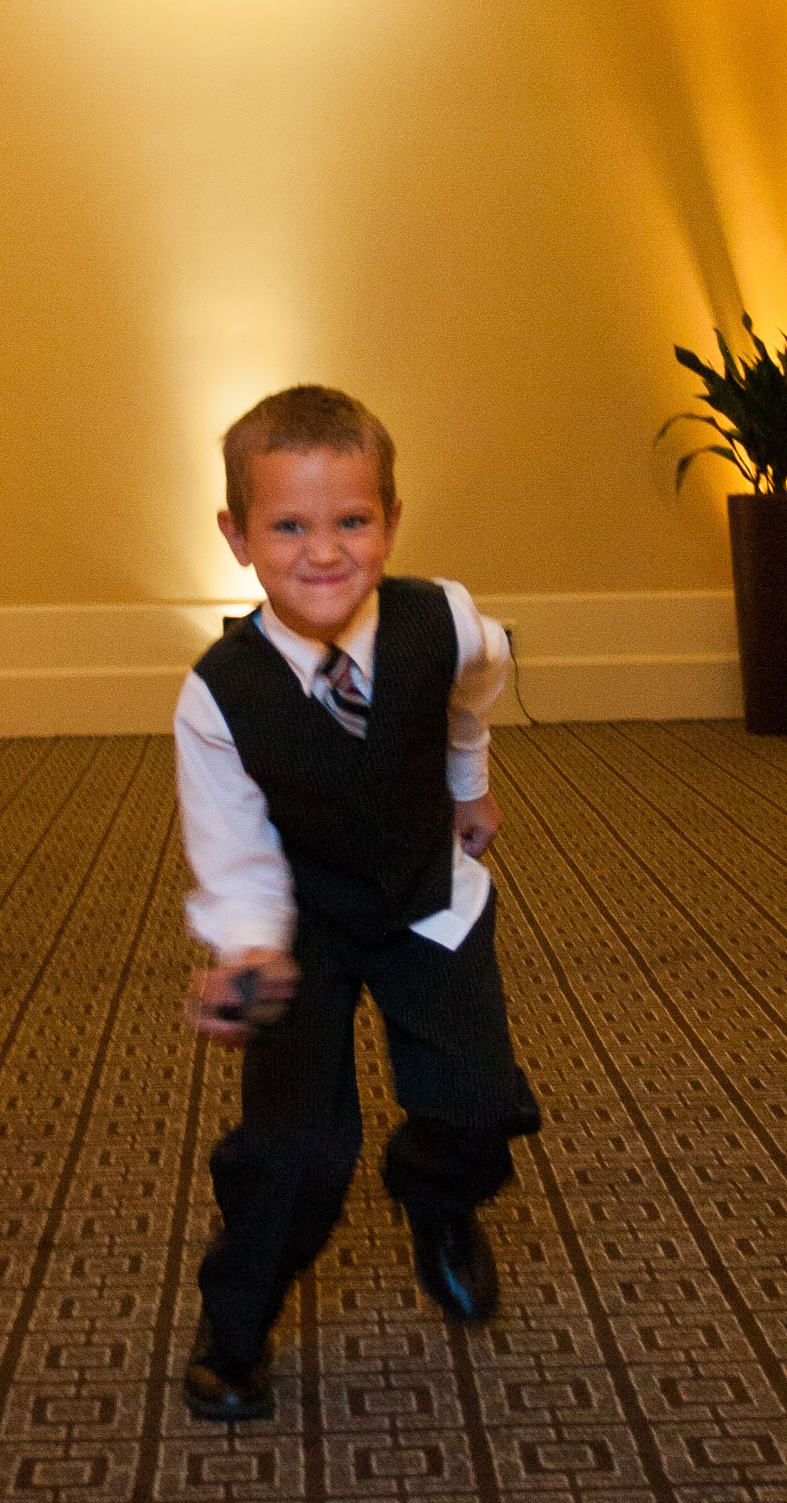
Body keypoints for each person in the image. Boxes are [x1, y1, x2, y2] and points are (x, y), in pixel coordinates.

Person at [174, 384, 540, 1421]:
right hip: (302, 927)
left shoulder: (447, 619)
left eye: (351, 521)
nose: (322, 551)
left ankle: (435, 1198)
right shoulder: (217, 696)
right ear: (236, 535)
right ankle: (234, 1326)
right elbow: (234, 858)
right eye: (287, 525)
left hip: (430, 895)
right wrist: (250, 954)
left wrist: (467, 783)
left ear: (389, 523)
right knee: (294, 1156)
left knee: (479, 1105)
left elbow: (471, 695)